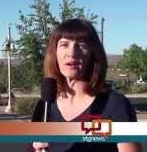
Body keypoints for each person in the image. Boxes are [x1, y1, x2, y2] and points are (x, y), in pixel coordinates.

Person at [31, 19, 141, 152]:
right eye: (64, 44)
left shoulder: (116, 104)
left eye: (81, 45)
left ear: (93, 54)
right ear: (54, 54)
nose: (72, 53)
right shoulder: (44, 107)